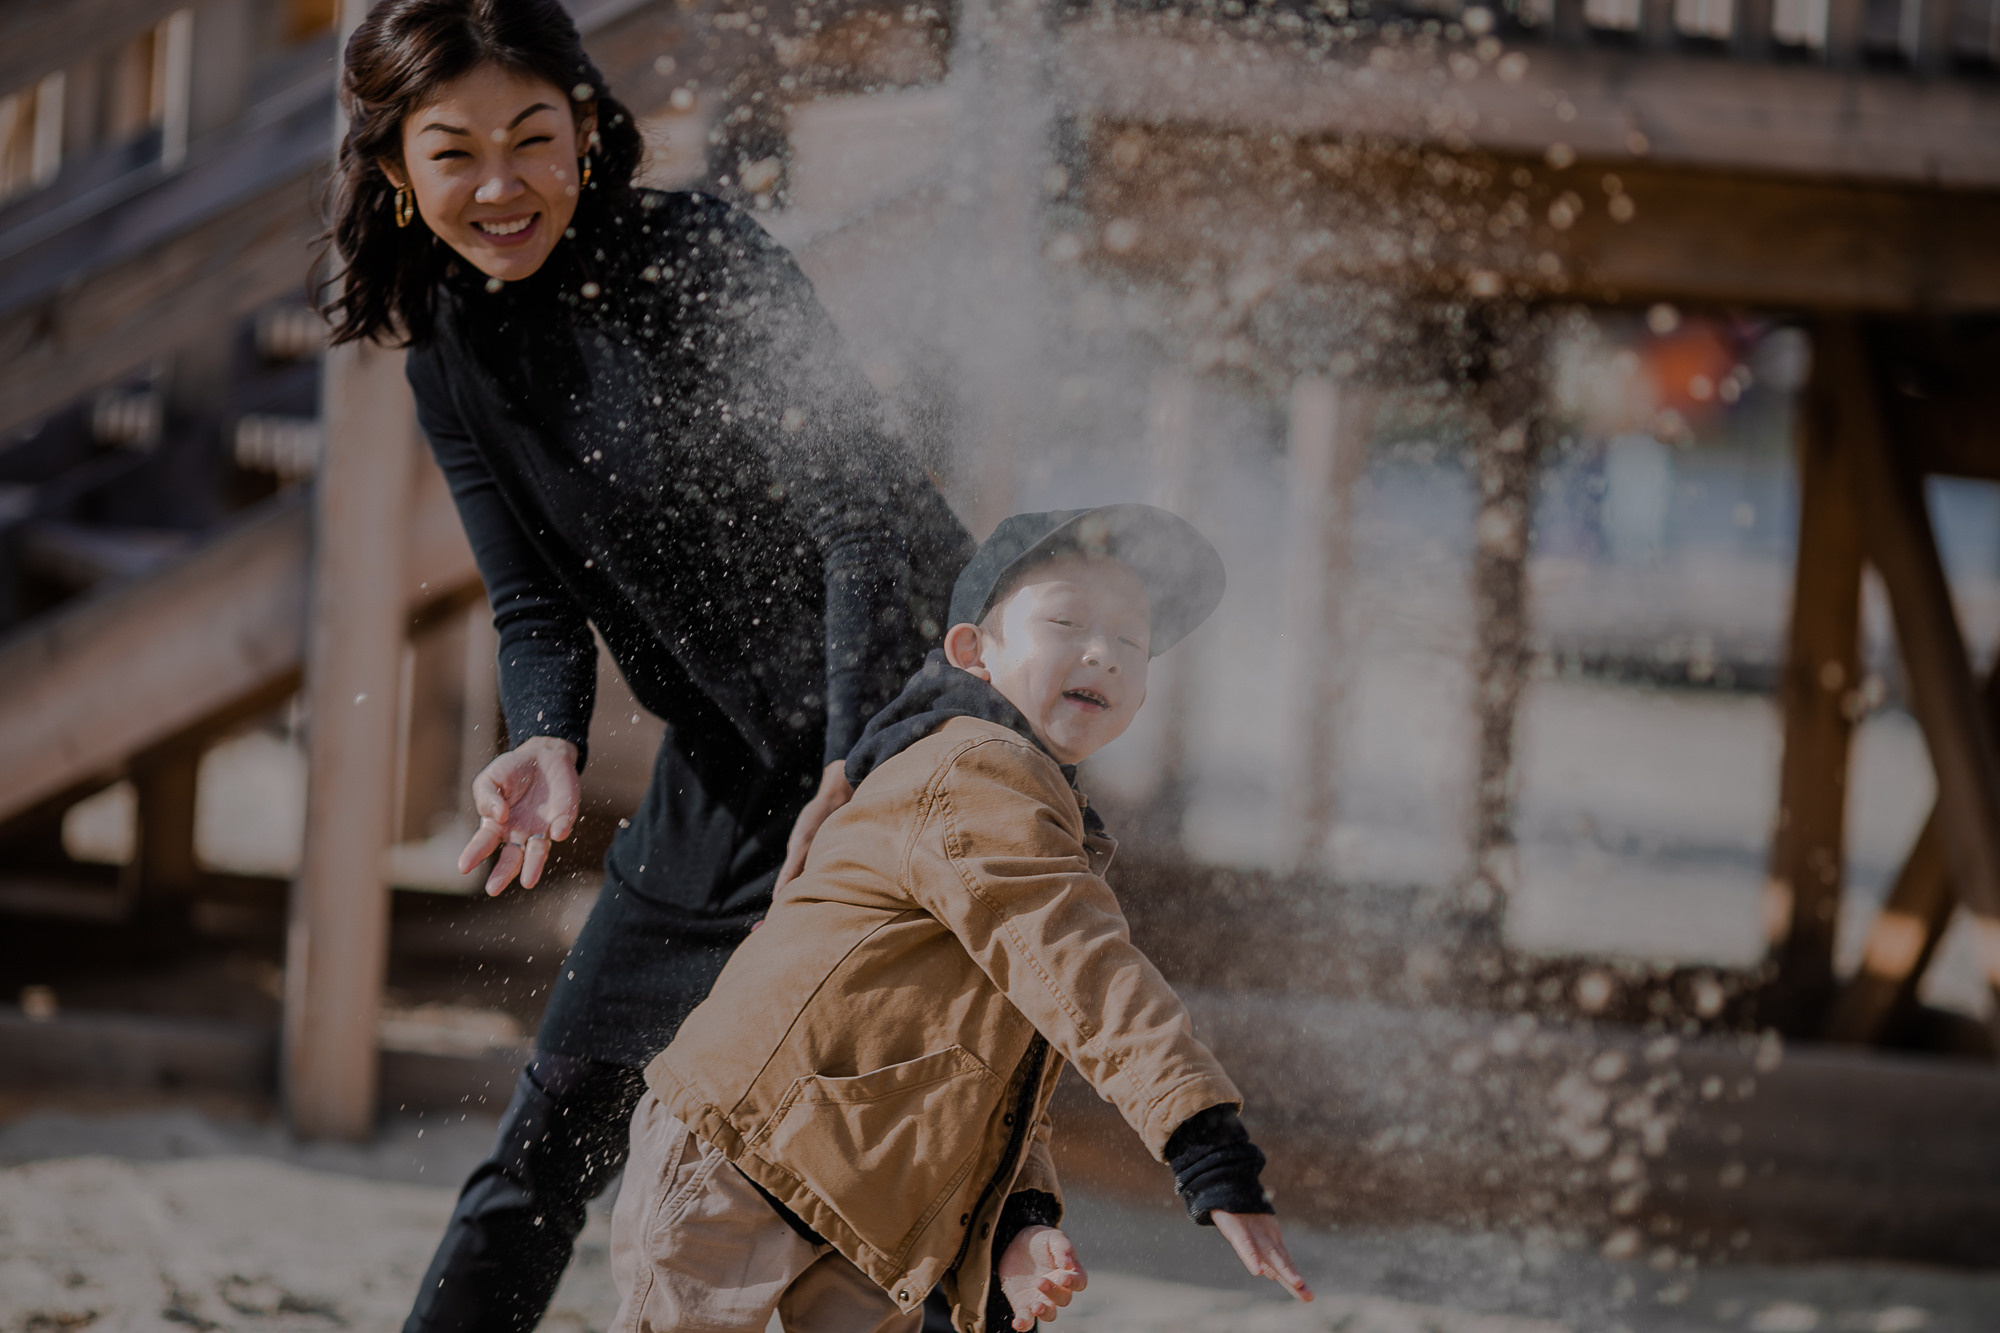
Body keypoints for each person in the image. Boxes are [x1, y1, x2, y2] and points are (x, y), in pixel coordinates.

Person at [313, 2, 971, 1329]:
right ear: (394, 171)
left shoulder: (695, 256)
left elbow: (858, 512)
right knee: (546, 1139)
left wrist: (857, 761)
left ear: (586, 125)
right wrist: (545, 737)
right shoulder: (448, 346)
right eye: (453, 153)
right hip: (722, 777)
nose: (501, 184)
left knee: (893, 1182)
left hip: (904, 738)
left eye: (531, 138)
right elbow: (533, 597)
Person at [609, 505, 1315, 1333]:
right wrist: (1205, 1143)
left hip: (870, 1190)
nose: (1103, 652)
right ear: (974, 651)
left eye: (1132, 640)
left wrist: (1018, 1218)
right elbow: (1088, 970)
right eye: (1067, 621)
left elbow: (1006, 1058)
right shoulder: (975, 763)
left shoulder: (1039, 810)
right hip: (742, 1147)